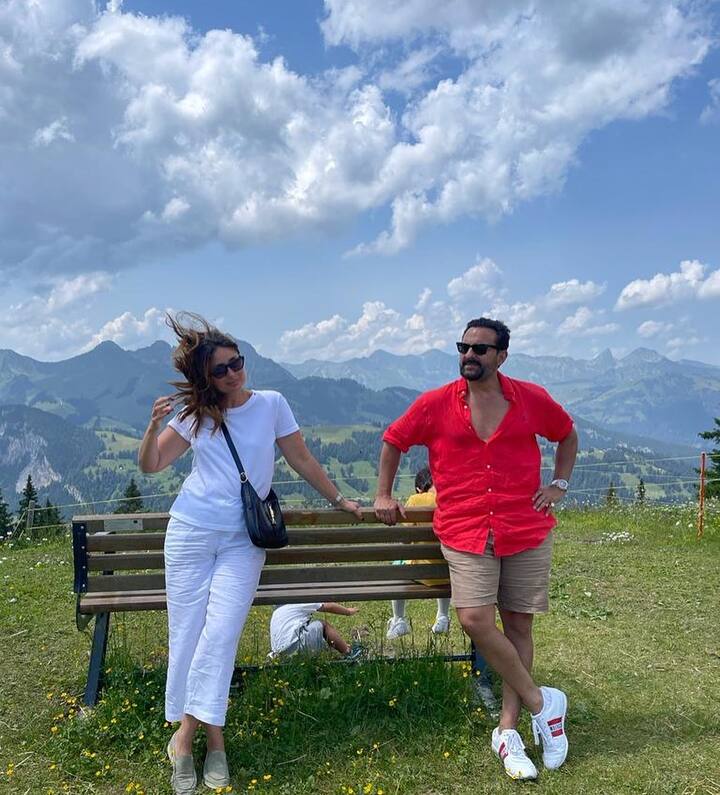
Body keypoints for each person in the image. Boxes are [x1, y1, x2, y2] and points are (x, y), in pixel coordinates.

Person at [138, 312, 361, 795]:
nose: (232, 373)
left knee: (219, 635)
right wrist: (152, 427)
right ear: (206, 377)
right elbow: (152, 464)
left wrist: (339, 499)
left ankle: (184, 738)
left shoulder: (272, 404)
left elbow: (301, 458)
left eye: (236, 362)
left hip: (244, 540)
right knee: (188, 634)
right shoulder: (195, 414)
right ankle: (214, 740)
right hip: (191, 532)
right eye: (220, 369)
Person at [374, 317, 578, 782]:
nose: (469, 355)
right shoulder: (436, 403)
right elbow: (393, 439)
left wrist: (560, 484)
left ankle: (508, 731)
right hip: (465, 530)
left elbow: (566, 434)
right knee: (473, 619)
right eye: (463, 347)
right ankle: (543, 704)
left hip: (524, 527)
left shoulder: (529, 398)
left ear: (501, 355)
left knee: (519, 625)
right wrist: (383, 494)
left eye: (480, 349)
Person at [386, 467, 452, 638]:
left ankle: (398, 619)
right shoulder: (452, 499)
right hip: (451, 573)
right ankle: (443, 616)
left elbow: (406, 540)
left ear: (418, 488)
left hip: (420, 573)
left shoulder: (416, 500)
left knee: (398, 564)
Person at [269, 602, 363, 660]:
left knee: (312, 632)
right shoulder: (298, 602)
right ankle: (349, 653)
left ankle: (341, 647)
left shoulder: (277, 611)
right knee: (323, 625)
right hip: (295, 645)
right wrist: (348, 611)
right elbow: (328, 606)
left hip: (279, 654)